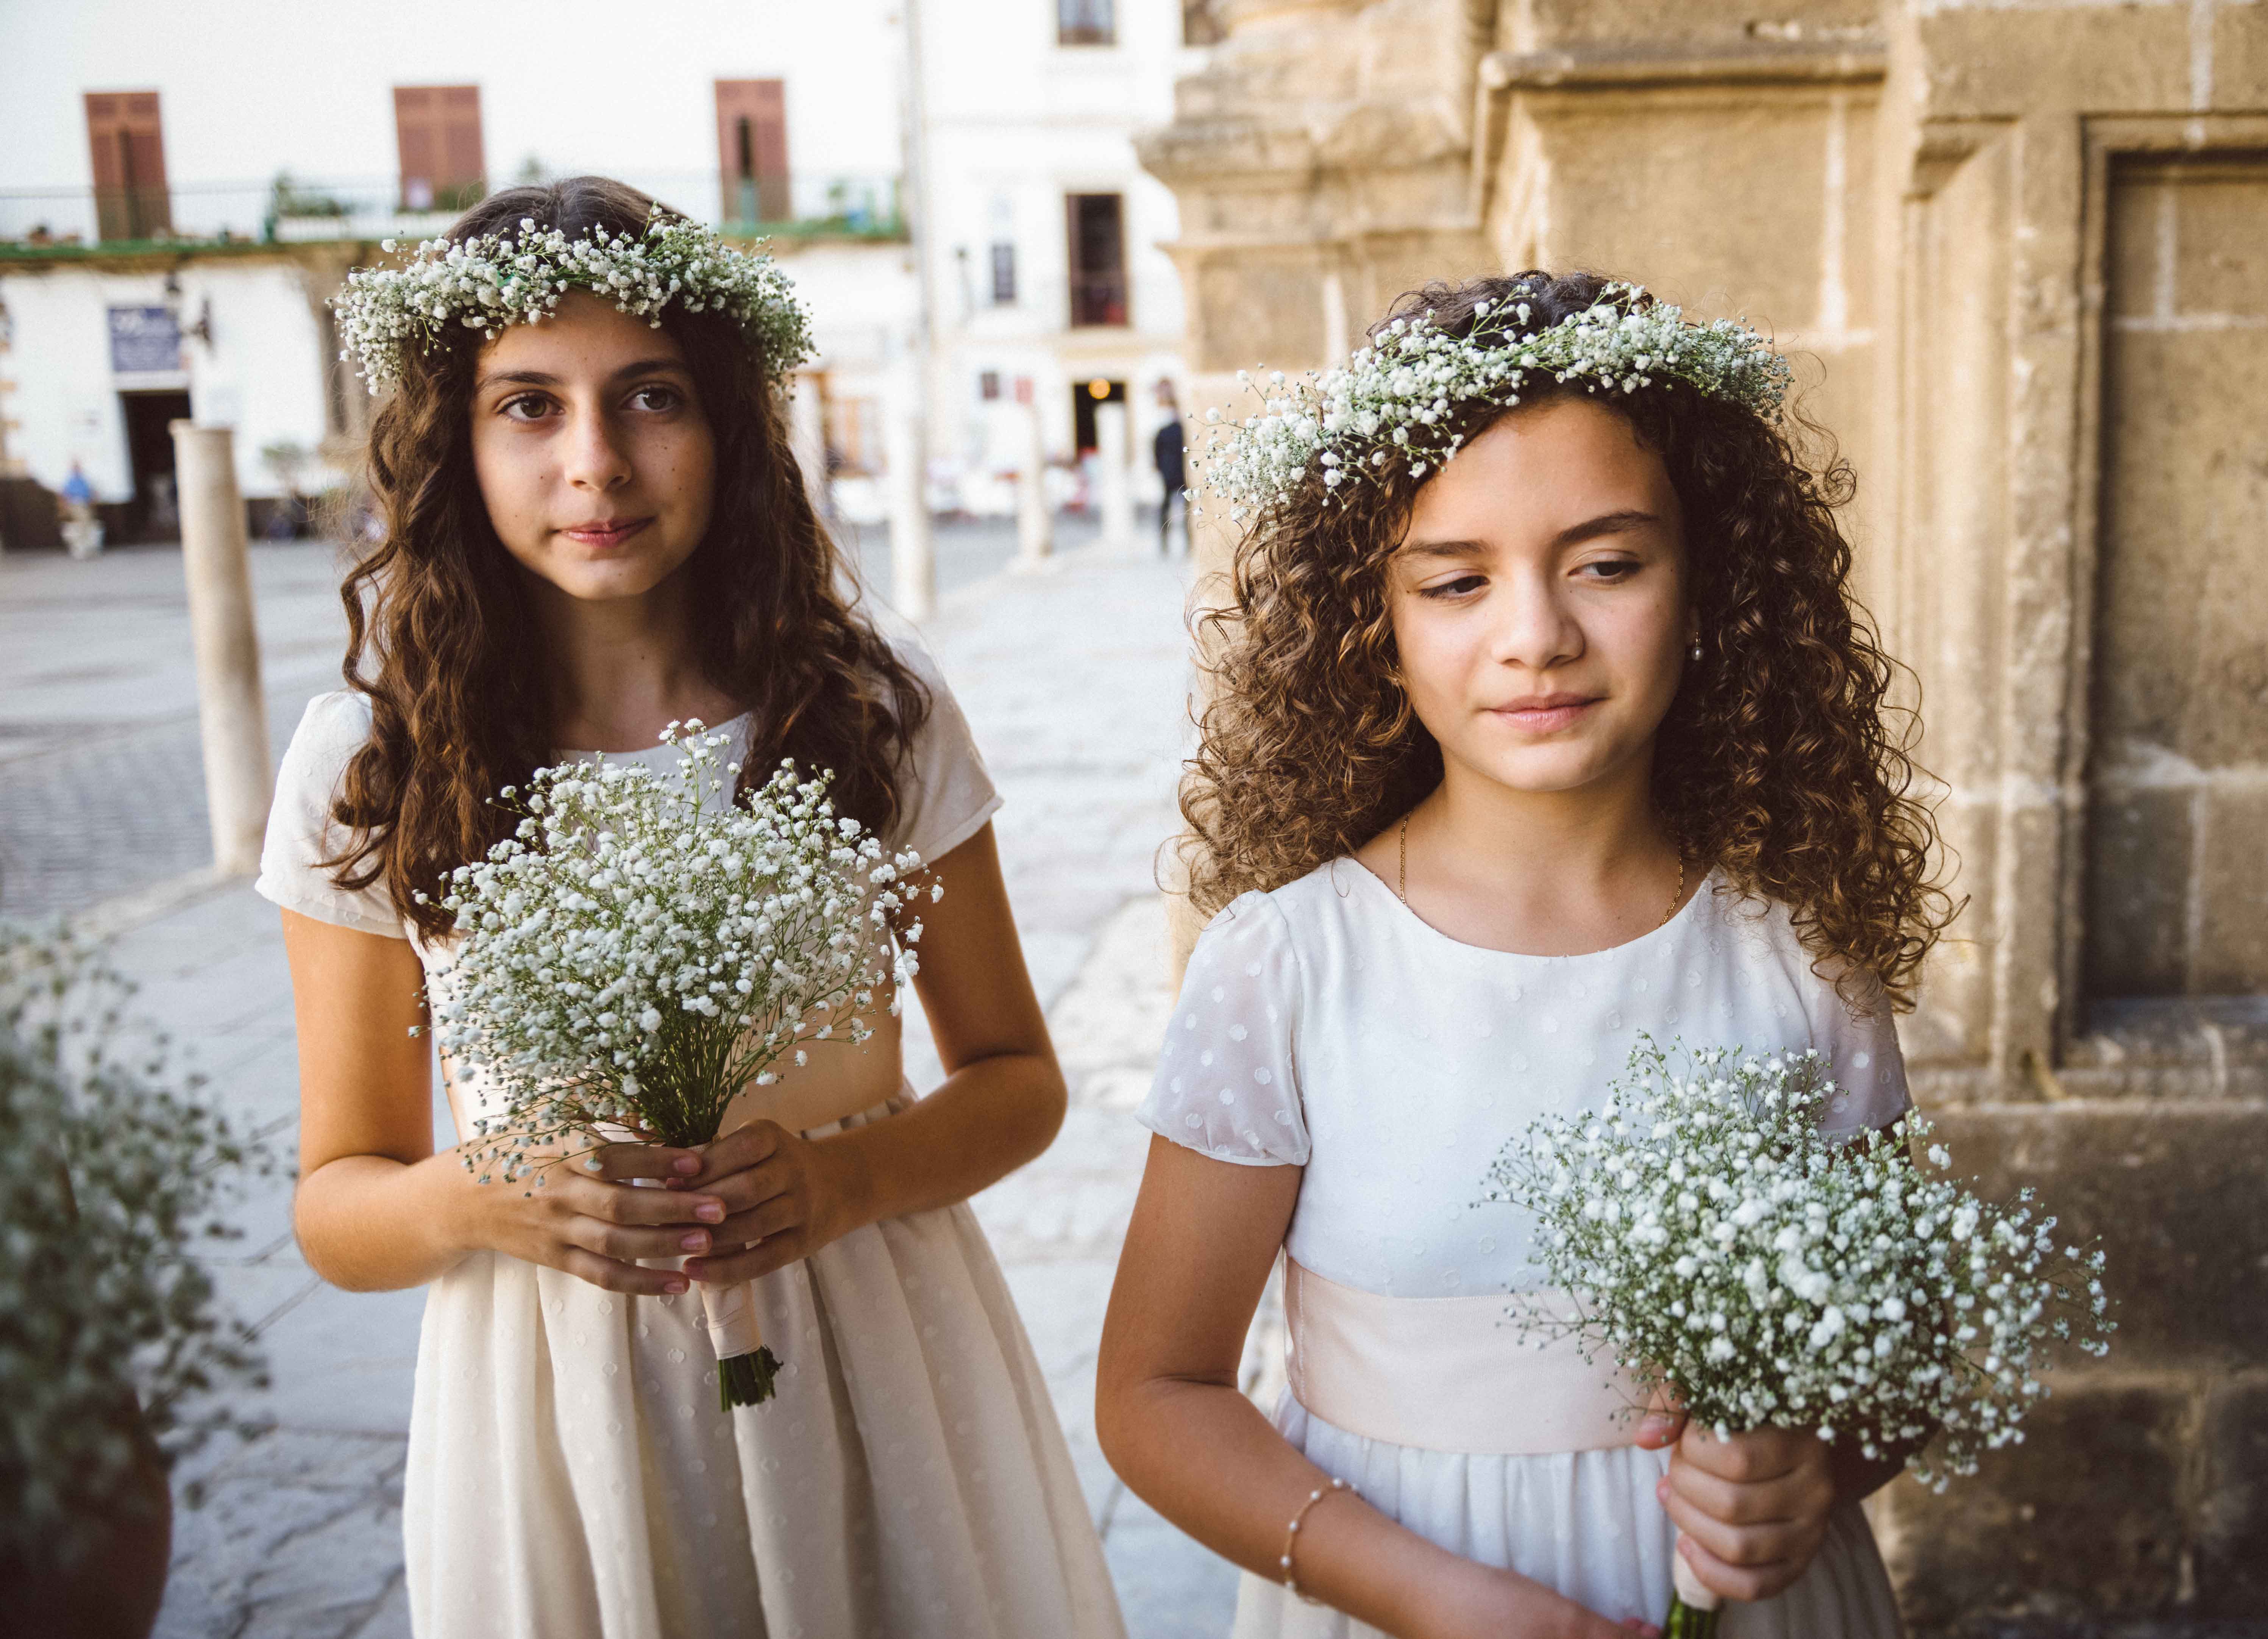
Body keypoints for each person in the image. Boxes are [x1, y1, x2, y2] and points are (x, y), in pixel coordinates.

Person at [259, 177, 1125, 1638]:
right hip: (554, 1397)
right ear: (452, 442)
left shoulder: (867, 714)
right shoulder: (371, 764)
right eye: (527, 405)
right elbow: (339, 1203)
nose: (595, 462)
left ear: (729, 423)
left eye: (649, 395)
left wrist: (847, 1178)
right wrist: (480, 1192)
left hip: (869, 1356)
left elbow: (1020, 1083)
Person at [1096, 271, 1951, 1637]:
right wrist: (1432, 1597)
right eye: (1454, 580)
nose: (1536, 634)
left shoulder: (1794, 949)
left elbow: (1901, 1354)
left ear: (1705, 584)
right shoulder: (1288, 963)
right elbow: (1155, 1392)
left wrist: (1811, 1467)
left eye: (1606, 563)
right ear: (1370, 622)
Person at [1153, 382, 1187, 556]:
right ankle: (1169, 542)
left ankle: (1167, 543)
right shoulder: (1178, 430)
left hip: (1172, 473)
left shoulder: (1166, 430)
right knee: (1173, 507)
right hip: (1177, 472)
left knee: (1170, 507)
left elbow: (1157, 452)